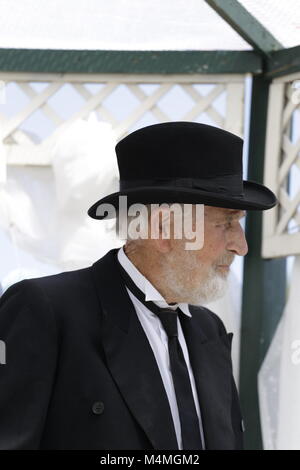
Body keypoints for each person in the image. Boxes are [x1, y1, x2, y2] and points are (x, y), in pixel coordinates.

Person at [0, 122, 277, 450]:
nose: (241, 246)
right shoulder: (46, 311)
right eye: (226, 223)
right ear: (163, 228)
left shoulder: (209, 329)